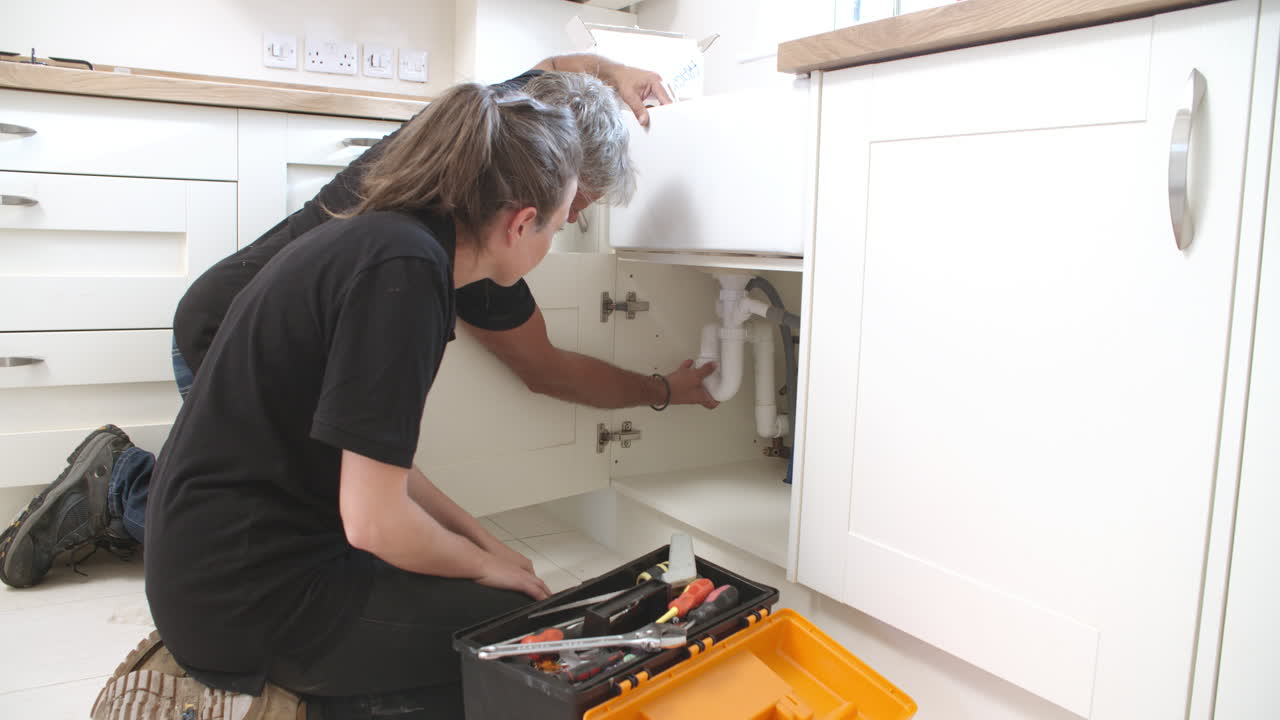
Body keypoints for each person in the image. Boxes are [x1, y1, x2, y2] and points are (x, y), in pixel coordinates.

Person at [0, 57, 717, 591]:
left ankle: (133, 484)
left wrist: (607, 71)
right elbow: (546, 369)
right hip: (224, 341)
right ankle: (123, 485)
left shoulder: (467, 138)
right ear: (528, 202)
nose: (572, 221)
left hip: (222, 311)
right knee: (283, 547)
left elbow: (550, 74)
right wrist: (668, 390)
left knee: (331, 512)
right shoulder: (452, 246)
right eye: (573, 206)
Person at [95, 78, 602, 720]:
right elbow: (376, 522)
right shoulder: (408, 275)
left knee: (488, 599)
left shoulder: (391, 242)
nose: (550, 243)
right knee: (515, 644)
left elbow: (376, 460)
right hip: (248, 600)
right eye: (556, 226)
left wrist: (483, 545)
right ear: (520, 222)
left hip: (208, 572)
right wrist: (483, 569)